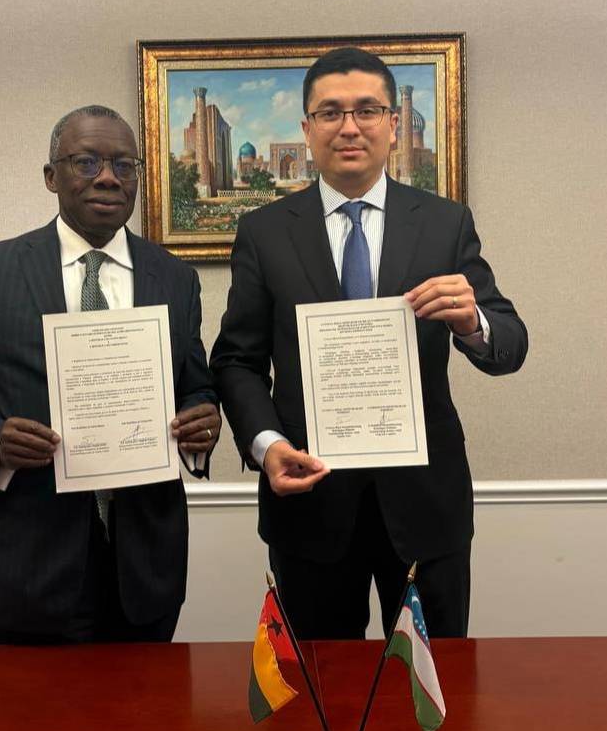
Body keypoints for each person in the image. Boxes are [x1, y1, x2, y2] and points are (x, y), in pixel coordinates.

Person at [210, 47, 527, 640]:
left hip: (426, 506)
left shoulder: (444, 222)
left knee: (431, 686)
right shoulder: (264, 232)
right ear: (307, 128)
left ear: (392, 122)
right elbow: (236, 361)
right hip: (309, 502)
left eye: (366, 110)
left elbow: (510, 342)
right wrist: (266, 444)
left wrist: (472, 322)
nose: (349, 127)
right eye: (330, 112)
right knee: (321, 687)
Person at [0, 104, 220, 645]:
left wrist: (202, 420)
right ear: (51, 176)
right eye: (86, 162)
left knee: (147, 705)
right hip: (28, 567)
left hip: (145, 571)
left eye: (124, 165)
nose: (107, 177)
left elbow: (194, 384)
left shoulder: (174, 277)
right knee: (22, 707)